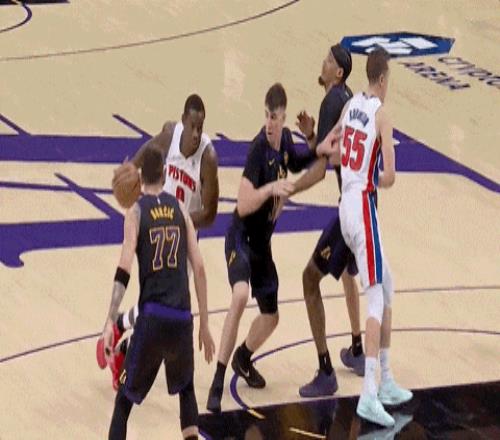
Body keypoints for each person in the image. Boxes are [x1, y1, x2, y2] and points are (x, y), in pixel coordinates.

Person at [96, 94, 219, 389]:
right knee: (163, 310)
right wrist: (131, 170)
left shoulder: (208, 159)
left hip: (183, 240)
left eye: (200, 127)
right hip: (155, 229)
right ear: (183, 121)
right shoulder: (169, 135)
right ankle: (122, 349)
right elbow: (148, 152)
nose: (195, 133)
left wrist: (179, 222)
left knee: (165, 311)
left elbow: (211, 214)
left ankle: (120, 332)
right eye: (192, 126)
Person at [205, 83, 315, 413]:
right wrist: (270, 189)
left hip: (262, 245)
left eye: (275, 118)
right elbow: (242, 204)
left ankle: (242, 357)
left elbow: (302, 161)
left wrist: (312, 137)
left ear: (284, 118)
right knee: (240, 295)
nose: (269, 123)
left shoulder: (286, 140)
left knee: (271, 317)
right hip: (241, 238)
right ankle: (217, 380)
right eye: (267, 116)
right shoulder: (257, 150)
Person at [318, 47, 412, 427]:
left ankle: (385, 379)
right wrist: (370, 176)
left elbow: (326, 148)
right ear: (383, 79)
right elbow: (390, 177)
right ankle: (369, 394)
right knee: (375, 296)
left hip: (345, 204)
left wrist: (350, 163)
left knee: (386, 282)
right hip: (362, 205)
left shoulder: (351, 104)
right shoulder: (381, 114)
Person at [101, 146, 215, 439]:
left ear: (141, 179)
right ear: (164, 174)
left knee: (124, 401)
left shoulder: (136, 212)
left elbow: (124, 268)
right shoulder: (180, 209)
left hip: (152, 319)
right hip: (182, 319)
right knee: (186, 391)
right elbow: (200, 268)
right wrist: (204, 323)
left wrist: (110, 321)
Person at [292, 44, 365, 398]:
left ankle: (325, 371)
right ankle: (358, 348)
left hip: (350, 207)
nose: (323, 62)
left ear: (338, 73)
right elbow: (326, 150)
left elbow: (321, 166)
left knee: (309, 279)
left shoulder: (331, 101)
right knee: (348, 271)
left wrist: (288, 190)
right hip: (364, 205)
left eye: (329, 60)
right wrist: (311, 136)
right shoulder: (349, 99)